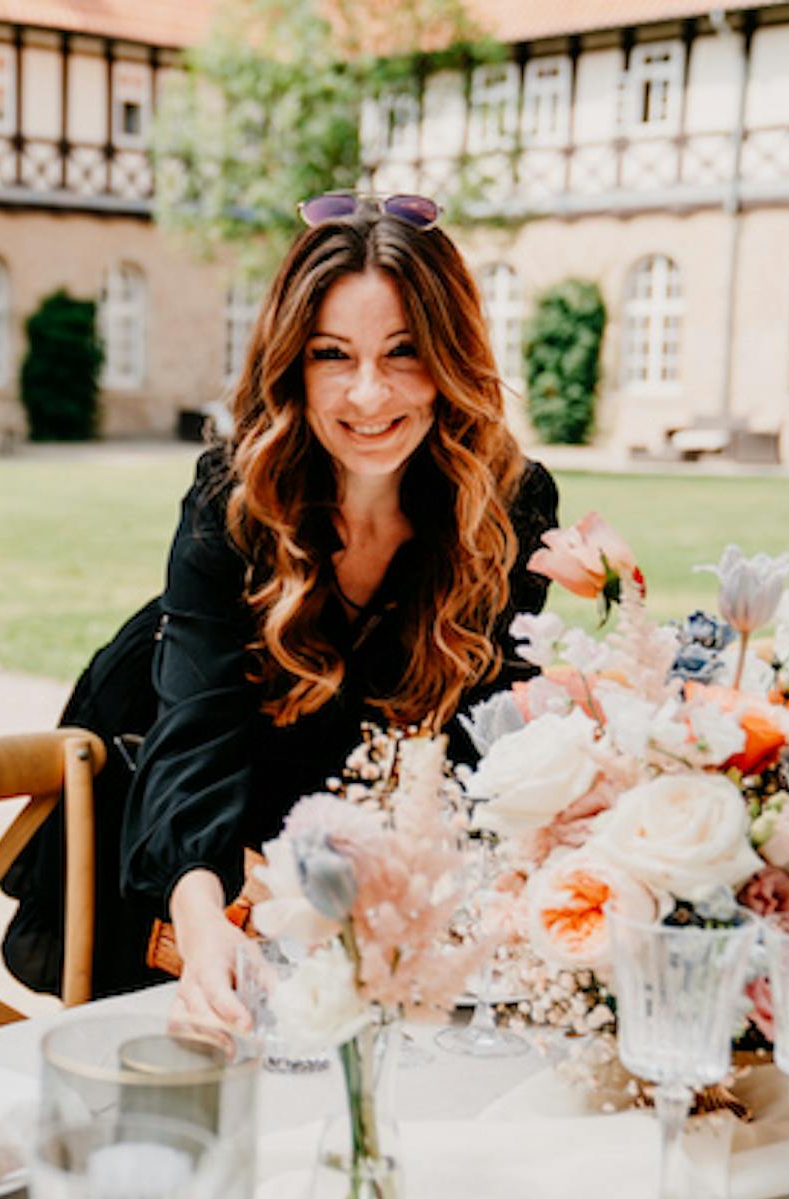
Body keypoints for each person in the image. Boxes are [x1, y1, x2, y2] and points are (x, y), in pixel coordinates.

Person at [120, 192, 560, 1031]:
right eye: (333, 354)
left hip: (384, 898)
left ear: (451, 356)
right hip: (211, 843)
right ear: (292, 363)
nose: (368, 393)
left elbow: (495, 748)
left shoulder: (512, 503)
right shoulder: (234, 502)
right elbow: (194, 739)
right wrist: (203, 918)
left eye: (404, 352)